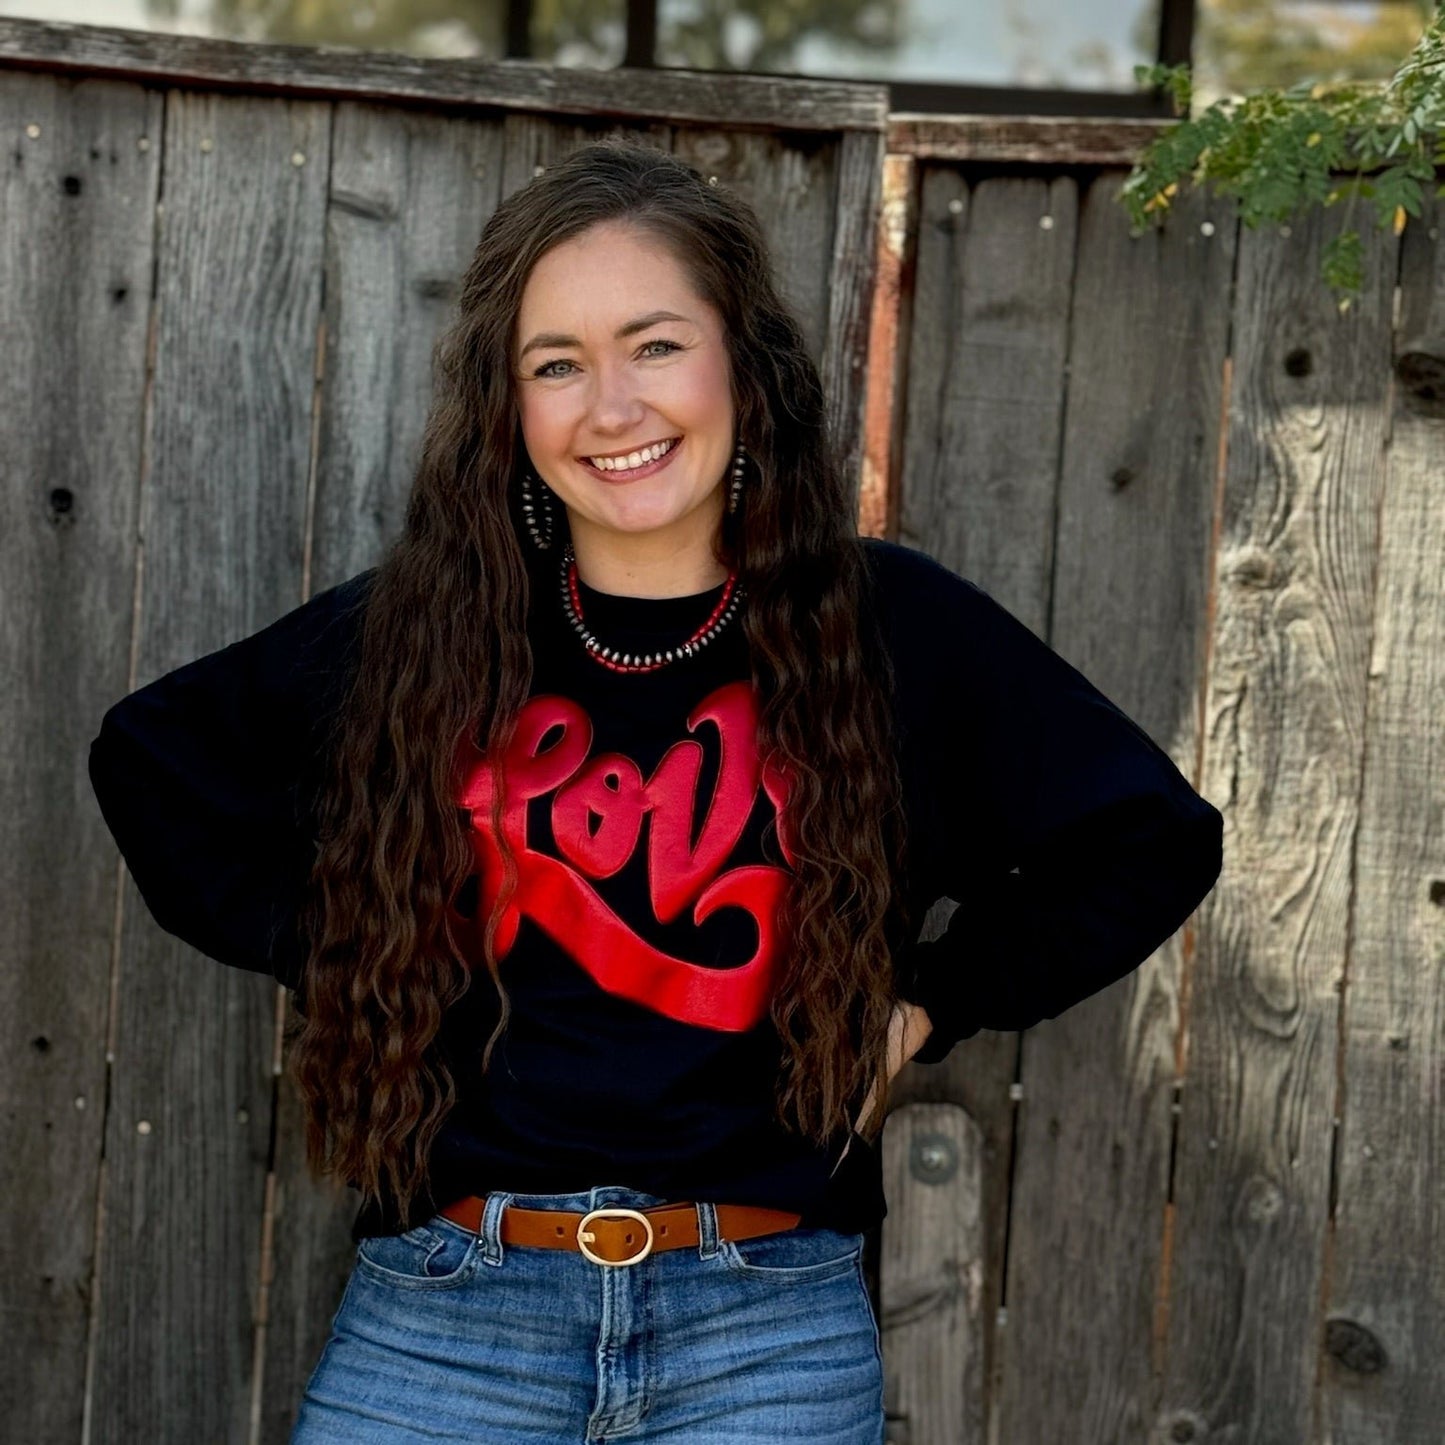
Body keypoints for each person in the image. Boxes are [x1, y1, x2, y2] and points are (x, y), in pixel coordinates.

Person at [87, 139, 1224, 1443]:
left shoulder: (890, 628)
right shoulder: (423, 632)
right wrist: (351, 953)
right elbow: (153, 762)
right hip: (449, 1312)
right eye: (555, 363)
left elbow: (1147, 840)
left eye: (655, 345)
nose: (611, 405)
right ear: (507, 405)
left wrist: (934, 1002)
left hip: (765, 1327)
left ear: (741, 360)